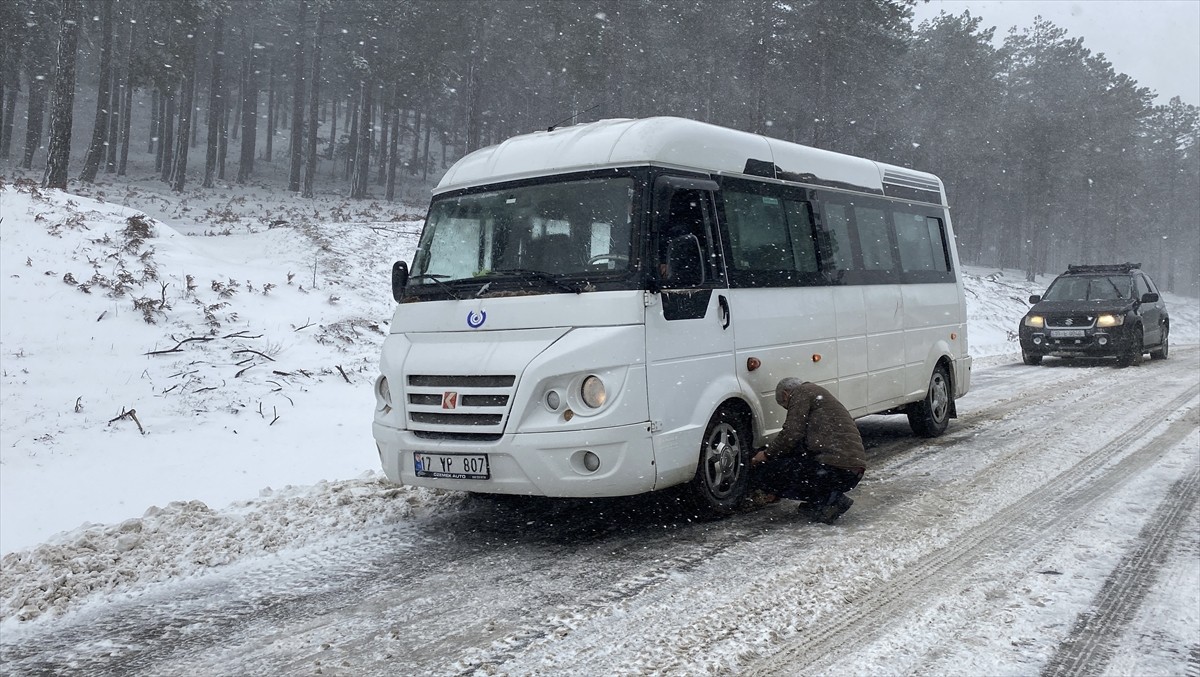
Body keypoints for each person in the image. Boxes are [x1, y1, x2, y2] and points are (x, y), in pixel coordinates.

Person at [749, 377, 867, 523]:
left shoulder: (801, 392)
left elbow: (791, 434)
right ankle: (821, 502)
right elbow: (799, 444)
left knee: (768, 471)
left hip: (835, 469)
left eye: (786, 406)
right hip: (850, 471)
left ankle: (831, 500)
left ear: (786, 395)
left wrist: (766, 455)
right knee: (792, 466)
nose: (788, 409)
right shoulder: (817, 395)